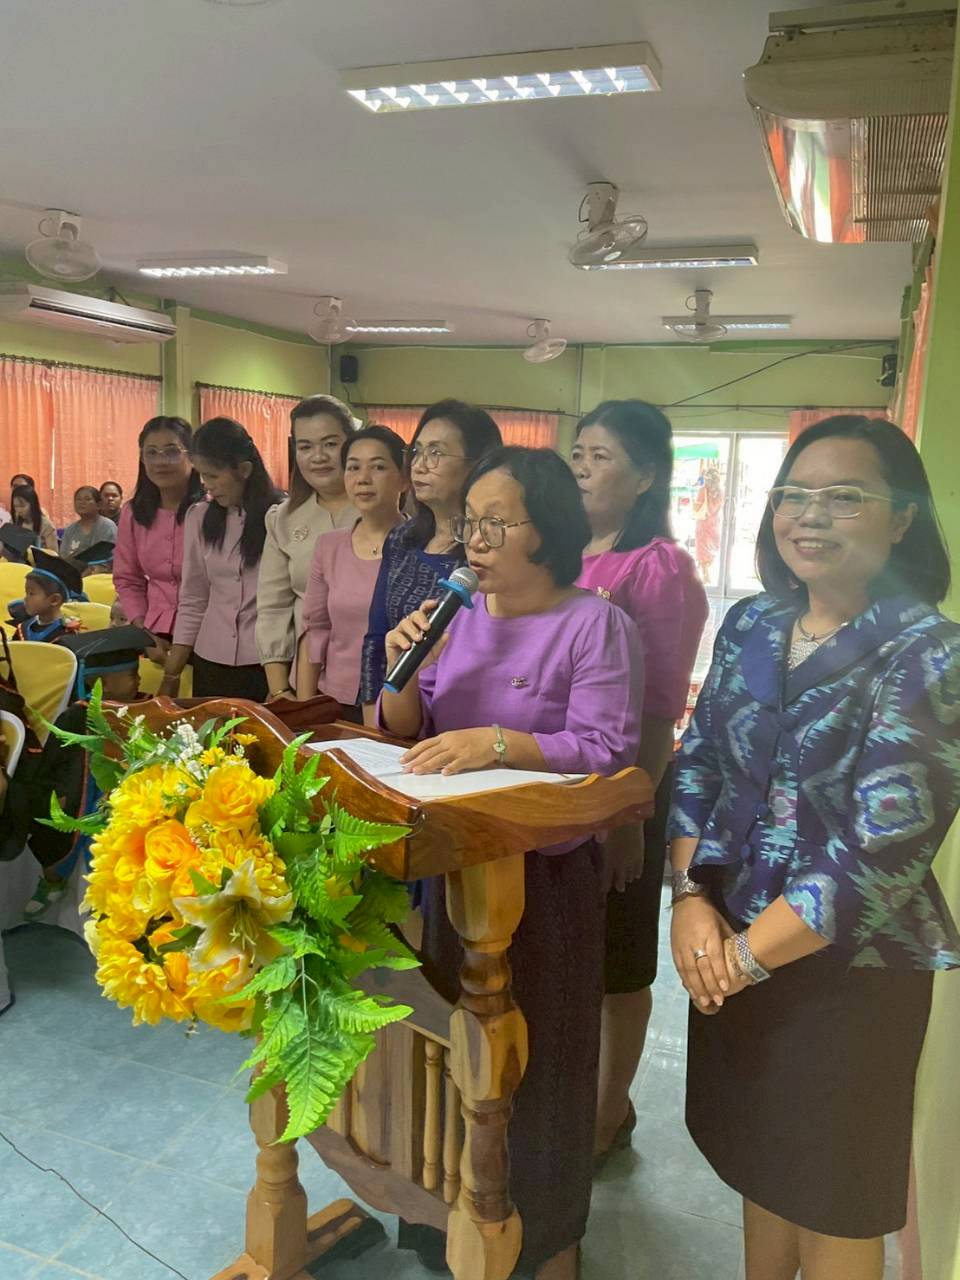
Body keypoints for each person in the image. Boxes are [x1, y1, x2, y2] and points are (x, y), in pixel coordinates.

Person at [668, 415, 960, 1280]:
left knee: (833, 1198)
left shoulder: (930, 653)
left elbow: (884, 850)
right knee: (760, 1166)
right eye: (794, 495)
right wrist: (688, 898)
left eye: (845, 497)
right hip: (726, 934)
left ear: (901, 518)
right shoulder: (752, 624)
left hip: (848, 975)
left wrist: (738, 961)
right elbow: (699, 762)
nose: (811, 515)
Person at [380, 447, 644, 1280]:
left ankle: (545, 1240)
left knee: (541, 1067)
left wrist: (497, 743)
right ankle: (450, 1228)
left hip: (545, 881)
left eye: (497, 524)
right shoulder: (455, 613)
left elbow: (604, 751)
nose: (475, 541)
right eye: (470, 523)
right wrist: (401, 664)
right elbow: (403, 729)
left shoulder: (594, 624)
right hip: (452, 865)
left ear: (549, 530)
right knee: (453, 1053)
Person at [571, 399, 709, 1162]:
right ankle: (575, 1099)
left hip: (627, 787)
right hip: (556, 788)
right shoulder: (557, 552)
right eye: (578, 454)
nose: (583, 469)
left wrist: (631, 813)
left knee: (618, 967)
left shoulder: (658, 567)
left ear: (647, 476)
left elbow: (660, 708)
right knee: (567, 959)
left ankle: (606, 1116)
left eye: (602, 457)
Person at [360, 399, 502, 715]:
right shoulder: (402, 539)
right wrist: (373, 718)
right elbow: (377, 636)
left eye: (436, 453)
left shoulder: (489, 551)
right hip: (394, 712)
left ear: (477, 464)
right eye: (417, 451)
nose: (420, 465)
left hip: (460, 715)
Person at [10, 627, 153, 922]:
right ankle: (53, 880)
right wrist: (56, 794)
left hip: (127, 794)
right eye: (132, 674)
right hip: (83, 794)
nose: (139, 679)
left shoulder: (146, 708)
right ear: (104, 684)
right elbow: (55, 760)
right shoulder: (77, 715)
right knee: (66, 838)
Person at [160, 418, 281, 700]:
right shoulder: (199, 517)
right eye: (202, 475)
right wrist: (171, 672)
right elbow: (194, 597)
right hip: (211, 660)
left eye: (213, 476)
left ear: (244, 470)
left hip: (266, 663)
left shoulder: (281, 516)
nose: (206, 485)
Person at [256, 395, 359, 702]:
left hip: (368, 679)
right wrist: (279, 690)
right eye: (305, 447)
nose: (318, 457)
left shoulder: (380, 512)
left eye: (330, 444)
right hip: (304, 680)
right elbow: (273, 607)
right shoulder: (283, 518)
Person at [298, 426, 407, 716]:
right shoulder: (329, 546)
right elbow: (315, 629)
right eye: (353, 467)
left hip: (401, 705)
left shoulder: (421, 548)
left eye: (378, 467)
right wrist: (304, 713)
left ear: (404, 478)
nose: (363, 479)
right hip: (336, 700)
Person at [113, 416, 203, 663]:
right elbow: (127, 579)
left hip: (209, 632)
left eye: (172, 452)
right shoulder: (133, 512)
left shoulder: (211, 510)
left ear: (193, 457)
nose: (161, 462)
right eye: (151, 453)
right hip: (154, 633)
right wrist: (144, 630)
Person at [7, 550, 84, 642]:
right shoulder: (23, 629)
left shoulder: (68, 633)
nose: (25, 599)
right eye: (26, 592)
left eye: (31, 593)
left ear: (54, 600)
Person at [61, 485, 118, 570]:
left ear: (99, 505)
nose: (82, 502)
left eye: (87, 499)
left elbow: (109, 560)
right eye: (78, 499)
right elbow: (63, 559)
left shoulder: (108, 527)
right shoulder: (70, 530)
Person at [692, 464, 724, 584]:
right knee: (713, 548)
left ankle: (705, 573)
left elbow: (697, 506)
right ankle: (706, 572)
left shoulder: (703, 490)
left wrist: (694, 505)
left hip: (703, 523)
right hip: (715, 524)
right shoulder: (721, 492)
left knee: (702, 550)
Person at [10, 484, 58, 550]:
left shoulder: (46, 525)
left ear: (33, 504)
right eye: (16, 506)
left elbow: (53, 553)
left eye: (22, 506)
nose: (19, 510)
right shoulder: (14, 520)